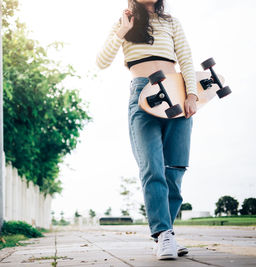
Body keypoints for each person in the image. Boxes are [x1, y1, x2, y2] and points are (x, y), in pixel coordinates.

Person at [96, 0, 199, 260]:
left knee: (175, 167)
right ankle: (163, 234)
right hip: (142, 94)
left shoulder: (171, 22)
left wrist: (192, 94)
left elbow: (185, 58)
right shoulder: (125, 23)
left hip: (177, 92)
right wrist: (122, 30)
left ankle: (168, 234)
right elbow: (101, 61)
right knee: (152, 167)